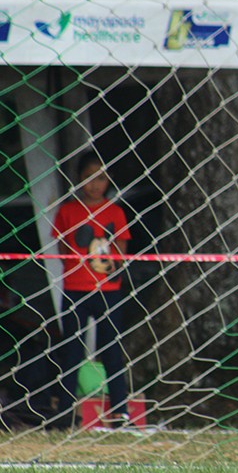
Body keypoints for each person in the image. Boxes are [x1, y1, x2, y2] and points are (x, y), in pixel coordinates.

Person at [52, 150, 133, 428]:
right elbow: (62, 249)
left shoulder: (116, 212)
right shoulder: (67, 211)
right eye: (88, 177)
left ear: (108, 180)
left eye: (100, 178)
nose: (95, 184)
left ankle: (120, 412)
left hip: (108, 292)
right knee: (71, 353)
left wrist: (108, 270)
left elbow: (121, 250)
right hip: (75, 291)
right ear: (79, 179)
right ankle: (65, 413)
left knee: (111, 351)